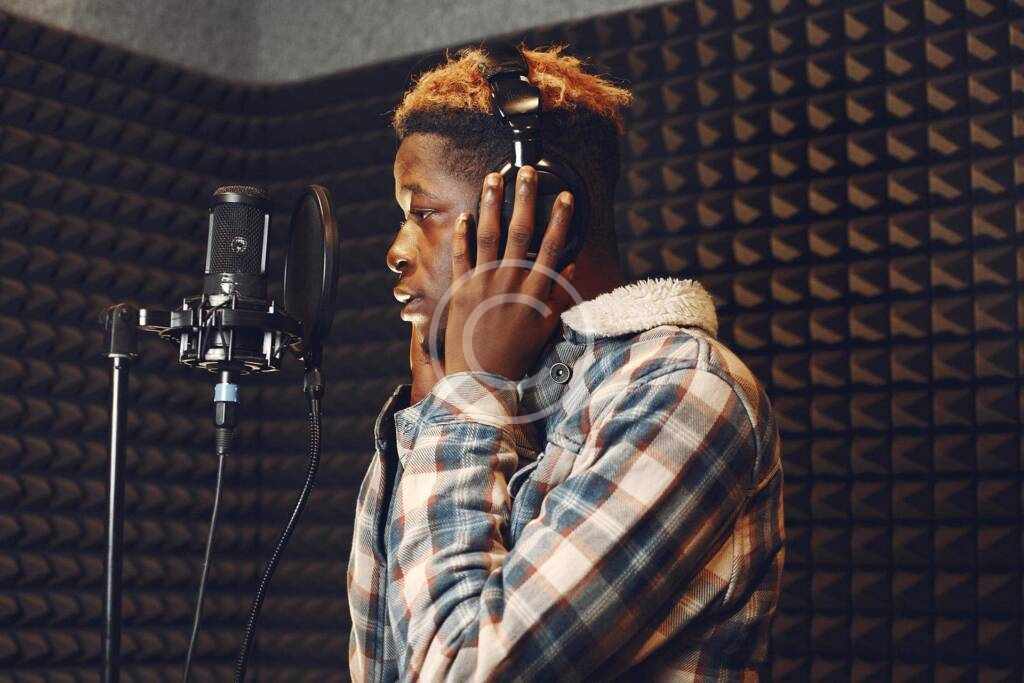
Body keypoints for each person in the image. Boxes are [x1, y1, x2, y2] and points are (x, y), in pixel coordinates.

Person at [347, 43, 784, 681]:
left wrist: (465, 397)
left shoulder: (682, 390)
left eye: (425, 213)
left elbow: (461, 668)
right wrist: (444, 406)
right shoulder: (451, 396)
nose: (395, 251)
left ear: (540, 208)